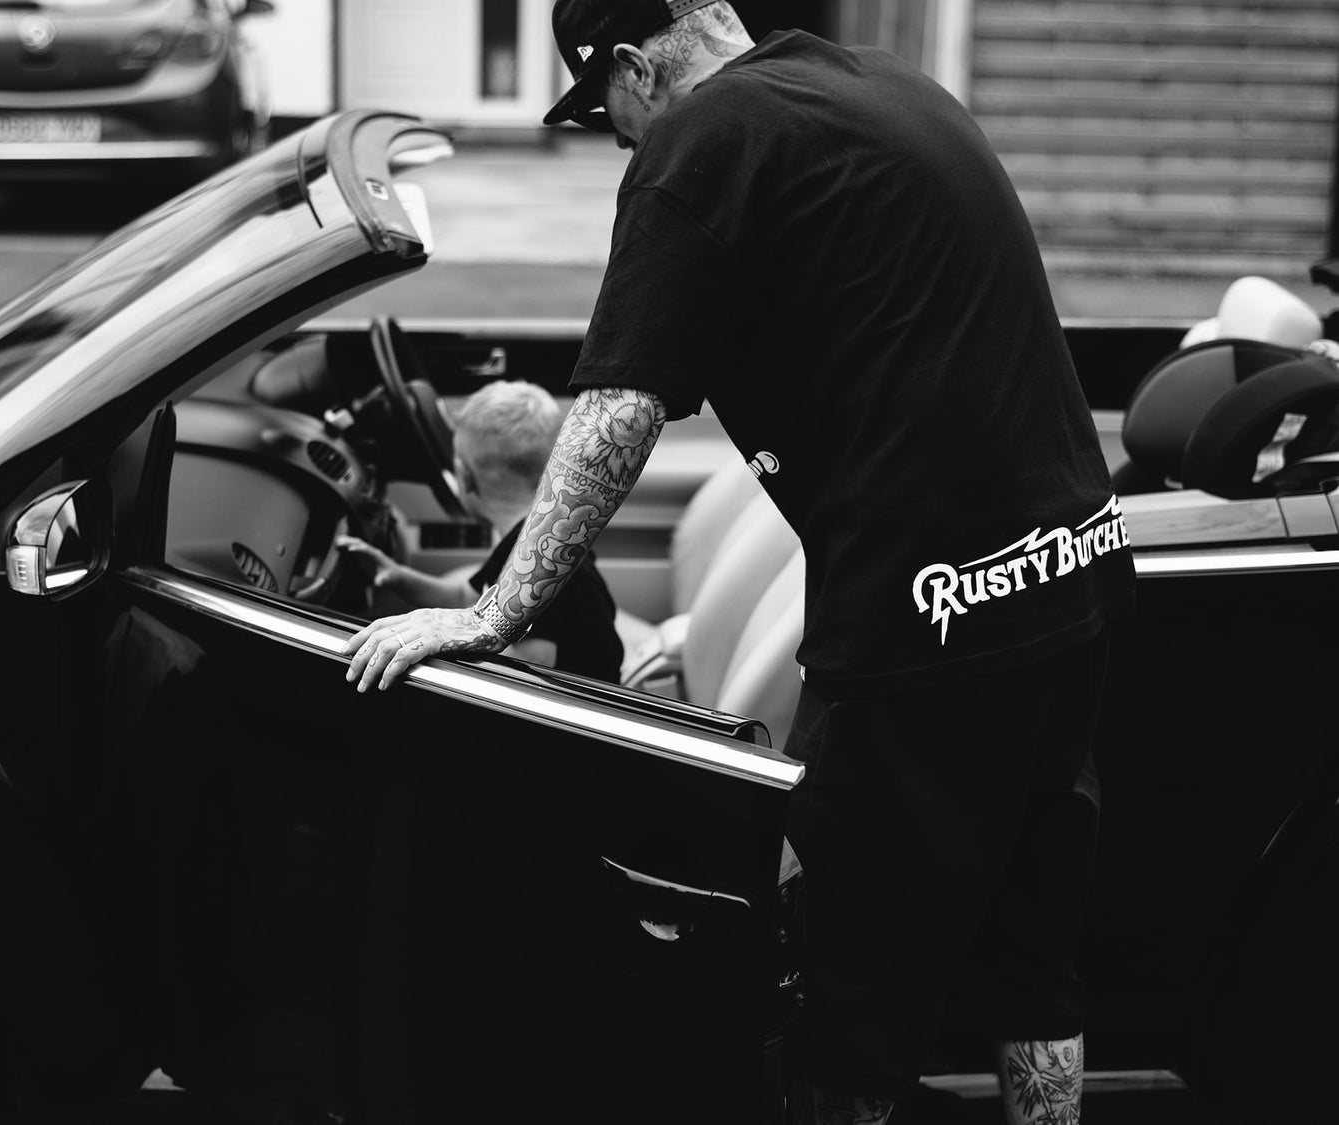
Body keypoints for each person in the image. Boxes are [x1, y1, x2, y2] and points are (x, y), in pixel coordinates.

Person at [343, 3, 1137, 1124]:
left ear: (629, 66)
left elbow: (621, 402)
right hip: (1067, 578)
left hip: (931, 632)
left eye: (604, 112)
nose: (616, 137)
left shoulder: (701, 141)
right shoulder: (885, 88)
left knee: (845, 1000)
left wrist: (493, 610)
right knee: (1031, 949)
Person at [339, 378, 623, 684]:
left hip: (578, 713)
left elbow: (533, 663)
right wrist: (398, 576)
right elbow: (465, 595)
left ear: (465, 478)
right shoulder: (530, 544)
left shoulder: (539, 561)